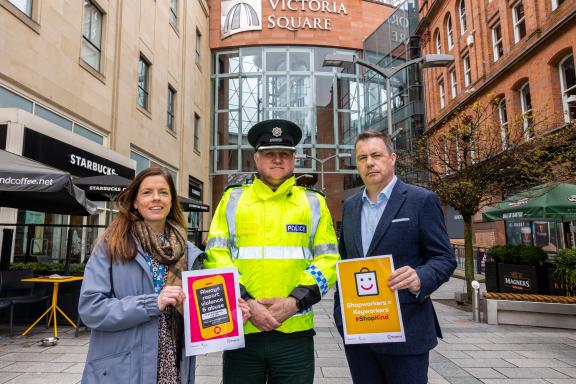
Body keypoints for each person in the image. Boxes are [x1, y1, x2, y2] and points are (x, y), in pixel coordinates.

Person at [205, 119, 339, 383]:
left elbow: (328, 259)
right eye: (269, 153)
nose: (277, 160)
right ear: (256, 158)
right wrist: (249, 304)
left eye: (284, 154)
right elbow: (215, 256)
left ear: (293, 159)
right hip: (243, 326)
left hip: (295, 330)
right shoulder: (232, 200)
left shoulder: (313, 202)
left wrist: (294, 302)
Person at [79, 167, 227, 384]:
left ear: (171, 201)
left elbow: (198, 310)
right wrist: (152, 303)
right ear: (135, 201)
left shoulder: (188, 251)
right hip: (126, 368)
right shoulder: (111, 245)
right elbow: (91, 309)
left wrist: (228, 314)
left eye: (163, 192)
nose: (156, 198)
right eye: (147, 192)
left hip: (173, 361)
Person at [333, 130, 457, 384]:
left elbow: (444, 258)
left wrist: (420, 276)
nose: (370, 162)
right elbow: (345, 263)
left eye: (376, 155)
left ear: (392, 158)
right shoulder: (351, 206)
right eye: (362, 157)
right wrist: (340, 314)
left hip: (407, 333)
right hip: (360, 334)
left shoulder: (421, 200)